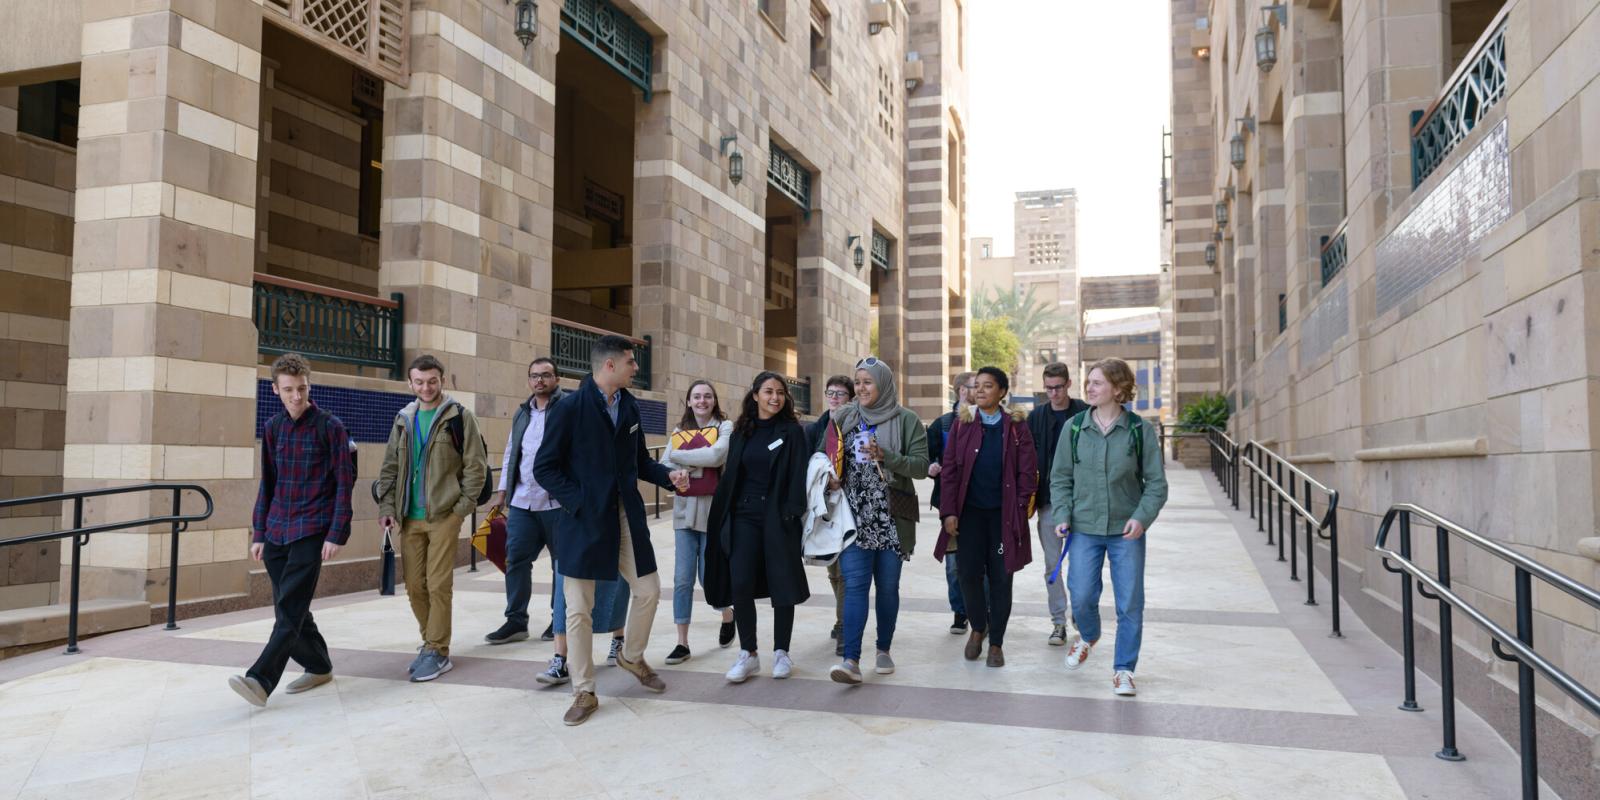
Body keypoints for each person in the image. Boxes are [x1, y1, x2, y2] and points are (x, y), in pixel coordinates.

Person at [533, 334, 689, 726]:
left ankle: (630, 656)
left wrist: (670, 477)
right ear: (609, 366)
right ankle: (584, 691)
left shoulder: (630, 406)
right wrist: (580, 502)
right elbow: (544, 467)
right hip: (583, 521)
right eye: (631, 363)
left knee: (649, 591)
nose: (636, 368)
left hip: (625, 516)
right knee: (578, 609)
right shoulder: (567, 409)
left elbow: (637, 463)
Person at [229, 354, 354, 707]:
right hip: (276, 530)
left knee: (288, 609)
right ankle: (318, 665)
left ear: (309, 386)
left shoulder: (331, 427)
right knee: (292, 608)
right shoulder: (272, 428)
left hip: (312, 528)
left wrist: (336, 532)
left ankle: (259, 679)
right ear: (275, 390)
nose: (296, 396)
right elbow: (268, 484)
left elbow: (344, 485)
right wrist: (259, 533)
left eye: (301, 389)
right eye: (288, 390)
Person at [1051, 357, 1168, 697]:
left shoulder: (1138, 430)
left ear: (1118, 389)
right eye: (1088, 381)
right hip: (1084, 527)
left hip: (1125, 531)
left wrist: (1141, 517)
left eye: (1098, 382)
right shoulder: (1074, 428)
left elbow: (1156, 484)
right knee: (1083, 595)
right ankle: (1088, 634)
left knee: (1130, 601)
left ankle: (1124, 669)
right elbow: (1060, 478)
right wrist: (1062, 514)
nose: (1089, 387)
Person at [377, 354, 489, 683]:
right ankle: (431, 643)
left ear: (443, 381)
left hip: (444, 514)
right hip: (409, 517)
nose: (426, 387)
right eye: (420, 382)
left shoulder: (459, 417)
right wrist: (386, 508)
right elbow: (390, 468)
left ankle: (437, 650)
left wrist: (461, 509)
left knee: (439, 584)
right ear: (410, 384)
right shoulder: (403, 419)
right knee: (414, 586)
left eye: (432, 381)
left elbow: (476, 466)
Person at [822, 357, 929, 685]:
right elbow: (824, 458)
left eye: (868, 382)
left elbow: (921, 467)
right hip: (854, 517)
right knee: (854, 585)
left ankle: (883, 649)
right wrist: (830, 477)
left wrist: (887, 456)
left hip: (892, 517)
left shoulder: (907, 420)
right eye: (858, 382)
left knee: (887, 587)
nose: (861, 388)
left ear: (883, 383)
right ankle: (850, 659)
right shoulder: (843, 417)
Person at [703, 372, 812, 682]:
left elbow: (797, 474)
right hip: (743, 516)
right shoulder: (742, 431)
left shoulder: (792, 432)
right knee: (740, 583)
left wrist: (793, 513)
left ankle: (782, 652)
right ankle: (748, 653)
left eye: (780, 392)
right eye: (768, 391)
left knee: (782, 584)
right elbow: (730, 477)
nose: (775, 397)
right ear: (755, 396)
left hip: (779, 517)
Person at [935, 367, 1038, 668]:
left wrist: (1019, 508)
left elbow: (1028, 473)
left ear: (1003, 392)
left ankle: (996, 643)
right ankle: (978, 628)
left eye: (987, 386)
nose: (979, 391)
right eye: (976, 386)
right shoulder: (962, 425)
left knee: (1001, 578)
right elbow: (950, 470)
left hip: (1003, 519)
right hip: (969, 517)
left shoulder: (1017, 427)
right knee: (967, 574)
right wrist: (949, 511)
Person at [484, 357, 565, 646]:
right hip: (522, 501)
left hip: (557, 503)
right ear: (528, 379)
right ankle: (516, 620)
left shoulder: (567, 409)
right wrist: (503, 489)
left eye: (545, 375)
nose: (539, 380)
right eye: (534, 376)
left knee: (562, 563)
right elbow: (510, 451)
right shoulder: (522, 413)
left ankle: (560, 619)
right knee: (515, 558)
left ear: (556, 379)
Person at [660, 380, 736, 663]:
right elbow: (665, 466)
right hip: (684, 512)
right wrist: (690, 460)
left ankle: (728, 615)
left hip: (713, 513)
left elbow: (717, 456)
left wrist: (681, 457)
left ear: (714, 400)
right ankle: (682, 643)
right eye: (696, 397)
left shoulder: (725, 428)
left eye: (707, 396)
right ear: (688, 402)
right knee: (682, 579)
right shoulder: (680, 430)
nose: (702, 401)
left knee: (709, 577)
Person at [1026, 362, 1090, 648]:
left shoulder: (1086, 413)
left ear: (1068, 384)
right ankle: (1059, 622)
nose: (1053, 394)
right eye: (1048, 388)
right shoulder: (1036, 417)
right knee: (1053, 565)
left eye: (1058, 387)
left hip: (1085, 503)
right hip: (1048, 501)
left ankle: (1081, 618)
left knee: (1083, 565)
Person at [805, 374, 854, 655]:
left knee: (846, 571)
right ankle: (842, 618)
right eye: (831, 393)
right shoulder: (815, 429)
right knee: (833, 571)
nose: (834, 398)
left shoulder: (856, 425)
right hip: (825, 507)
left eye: (840, 394)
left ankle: (844, 625)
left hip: (850, 506)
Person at [926, 370, 975, 634]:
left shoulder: (989, 421)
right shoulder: (943, 424)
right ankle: (960, 611)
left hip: (981, 504)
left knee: (983, 564)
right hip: (951, 505)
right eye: (971, 386)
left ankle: (981, 610)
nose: (976, 390)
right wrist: (932, 465)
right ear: (960, 391)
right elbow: (927, 457)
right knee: (954, 564)